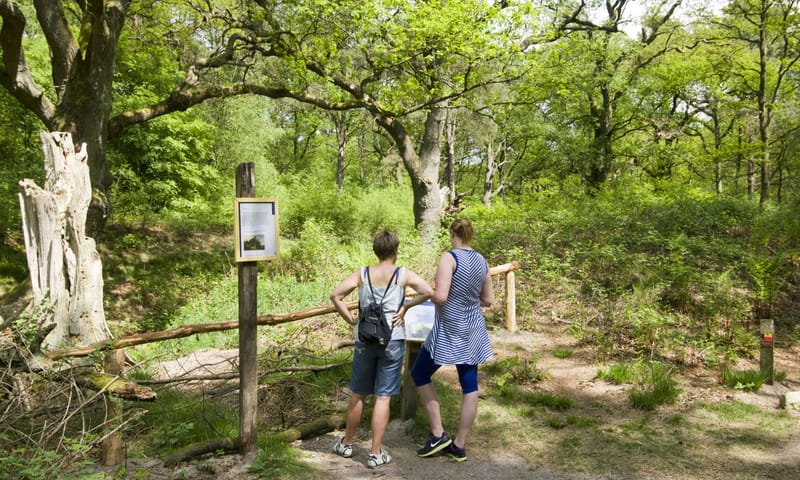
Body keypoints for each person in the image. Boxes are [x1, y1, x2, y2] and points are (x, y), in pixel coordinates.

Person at [330, 230, 433, 468]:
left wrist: (351, 319)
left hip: (364, 339)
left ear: (376, 250)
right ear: (395, 250)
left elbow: (335, 295)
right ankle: (375, 453)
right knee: (383, 397)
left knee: (358, 394)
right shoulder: (402, 274)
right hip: (392, 339)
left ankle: (346, 443)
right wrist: (406, 306)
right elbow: (428, 291)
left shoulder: (363, 273)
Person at [411, 218, 494, 462]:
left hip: (449, 329)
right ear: (470, 235)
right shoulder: (481, 260)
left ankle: (438, 434)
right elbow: (487, 300)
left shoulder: (449, 258)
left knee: (419, 373)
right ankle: (459, 445)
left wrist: (426, 292)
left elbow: (441, 297)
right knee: (470, 386)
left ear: (452, 234)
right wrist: (467, 300)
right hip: (473, 329)